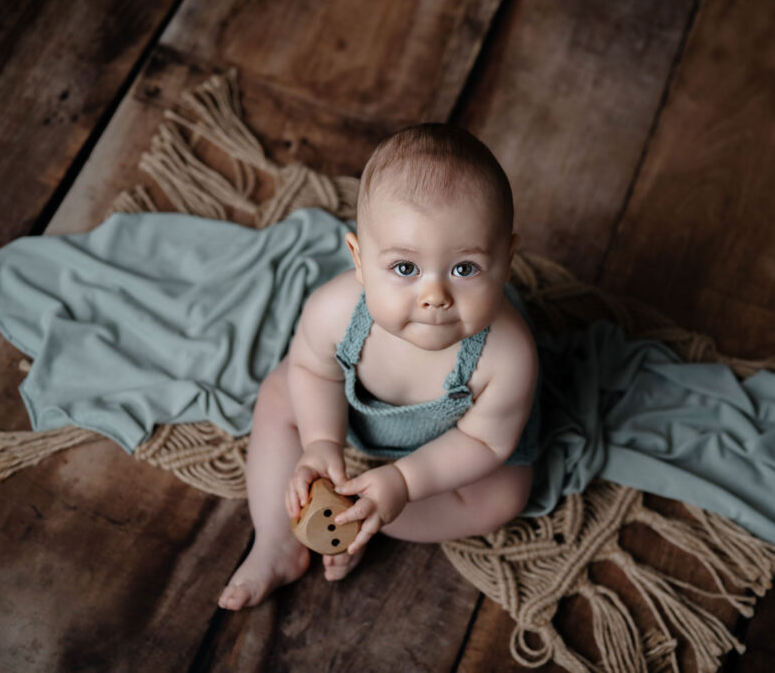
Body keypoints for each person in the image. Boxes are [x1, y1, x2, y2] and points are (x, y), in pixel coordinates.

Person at [218, 124, 540, 609]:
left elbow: (485, 441)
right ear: (360, 261)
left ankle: (363, 520)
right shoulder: (335, 311)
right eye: (405, 268)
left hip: (452, 445)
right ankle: (276, 541)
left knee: (504, 496)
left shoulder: (507, 355)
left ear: (507, 260)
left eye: (465, 269)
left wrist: (404, 483)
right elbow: (312, 370)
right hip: (347, 416)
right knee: (279, 393)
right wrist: (321, 441)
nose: (435, 296)